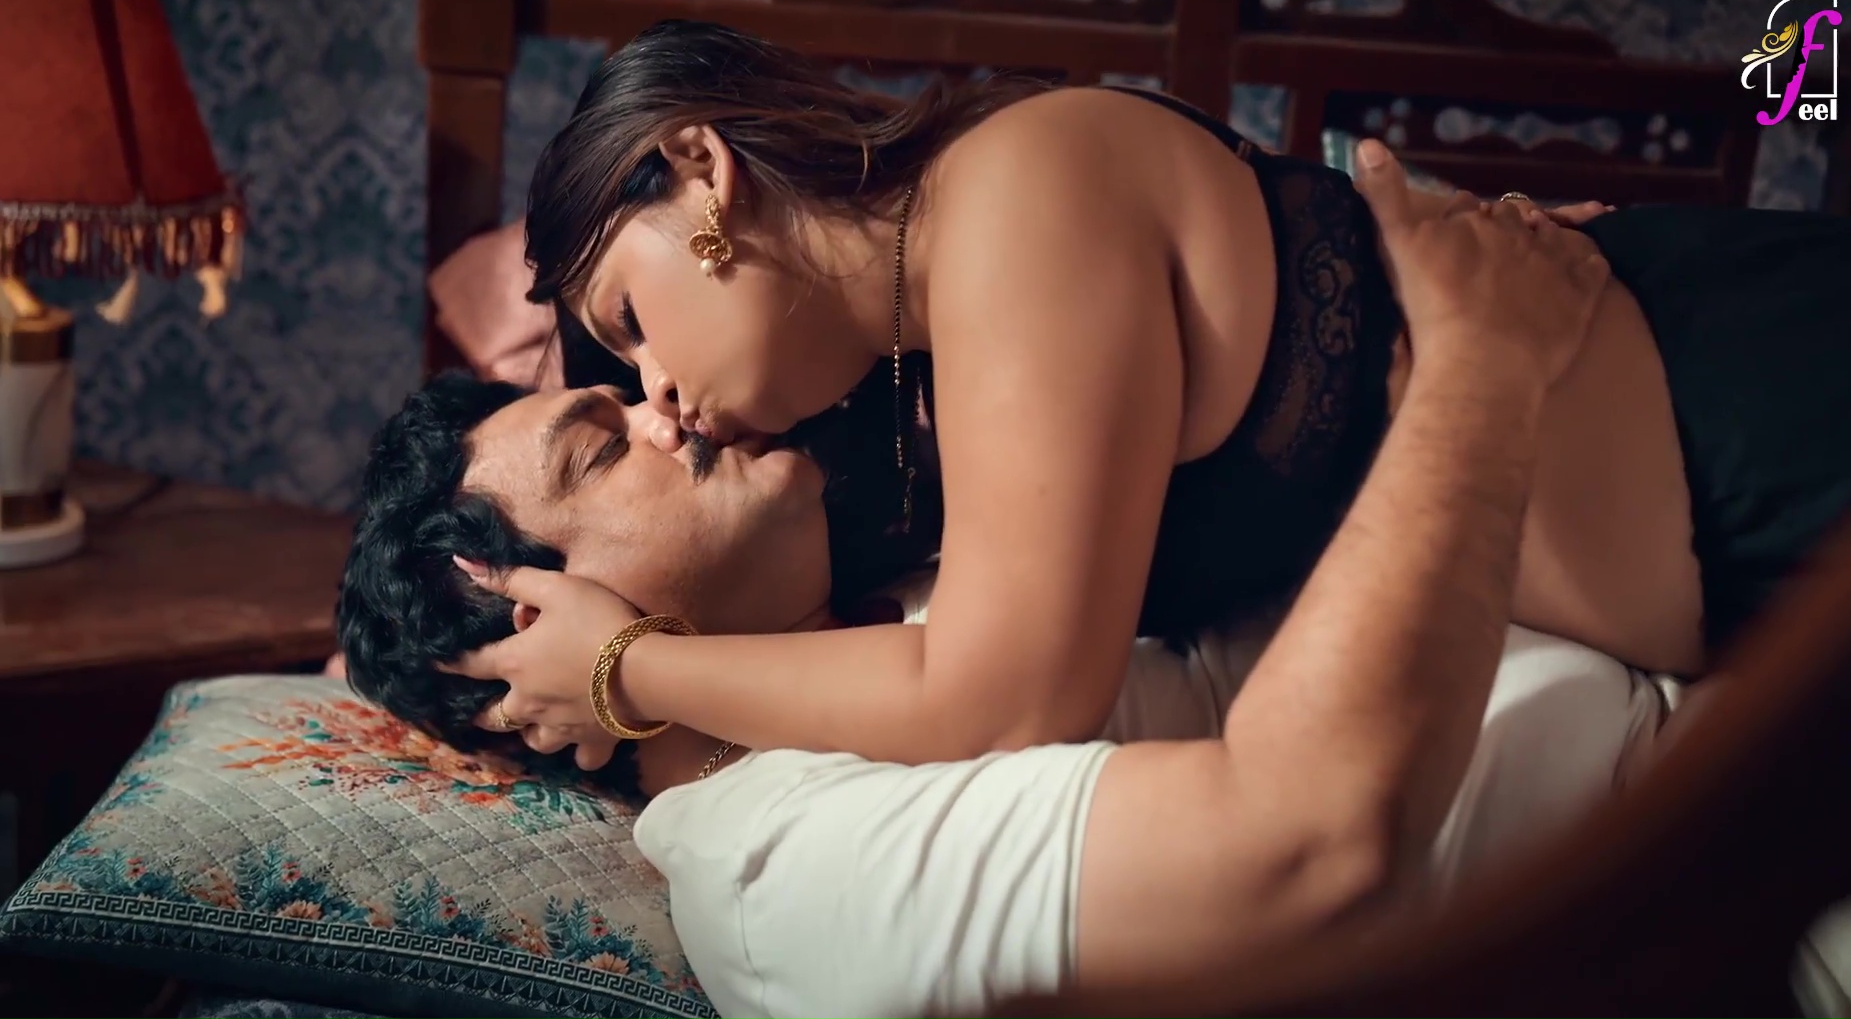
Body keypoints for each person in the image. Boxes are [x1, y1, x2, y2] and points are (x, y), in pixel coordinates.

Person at [457, 20, 1851, 775]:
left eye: (632, 321)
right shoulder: (923, 383)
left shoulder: (1014, 201)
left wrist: (629, 669)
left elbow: (1012, 694)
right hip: (1753, 581)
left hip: (1768, 413)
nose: (661, 390)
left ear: (702, 171)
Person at [337, 205, 1670, 1007]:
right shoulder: (791, 870)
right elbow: (1311, 838)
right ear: (537, 632)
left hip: (1685, 652)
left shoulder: (916, 593)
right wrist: (1483, 360)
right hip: (1715, 862)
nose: (662, 407)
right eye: (600, 448)